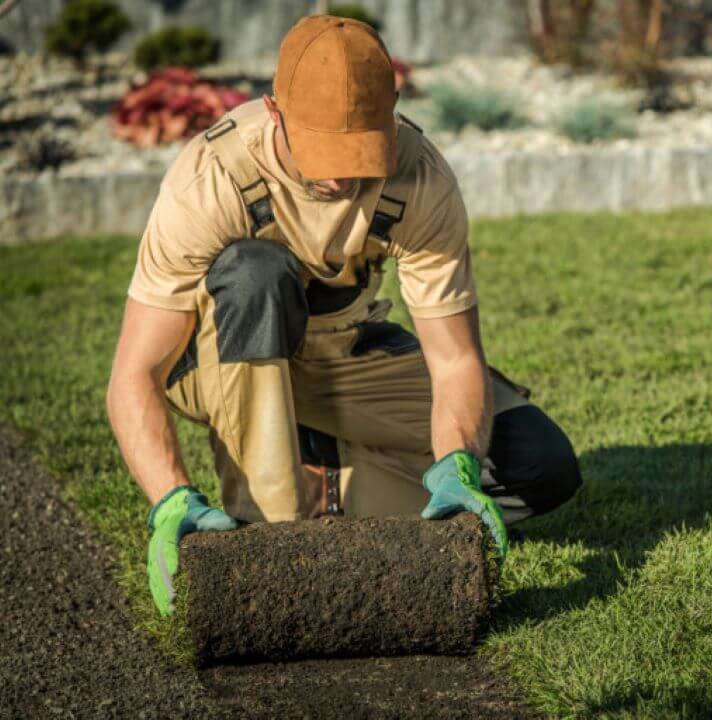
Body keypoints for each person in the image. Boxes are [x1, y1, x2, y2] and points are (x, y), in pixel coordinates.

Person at [106, 15, 582, 616]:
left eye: (358, 151)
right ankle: (269, 524)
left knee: (539, 464)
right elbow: (136, 373)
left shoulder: (420, 178)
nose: (339, 175)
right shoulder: (213, 178)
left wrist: (457, 463)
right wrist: (169, 499)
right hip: (223, 362)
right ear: (275, 113)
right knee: (255, 271)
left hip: (343, 354)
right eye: (323, 150)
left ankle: (326, 477)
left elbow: (456, 357)